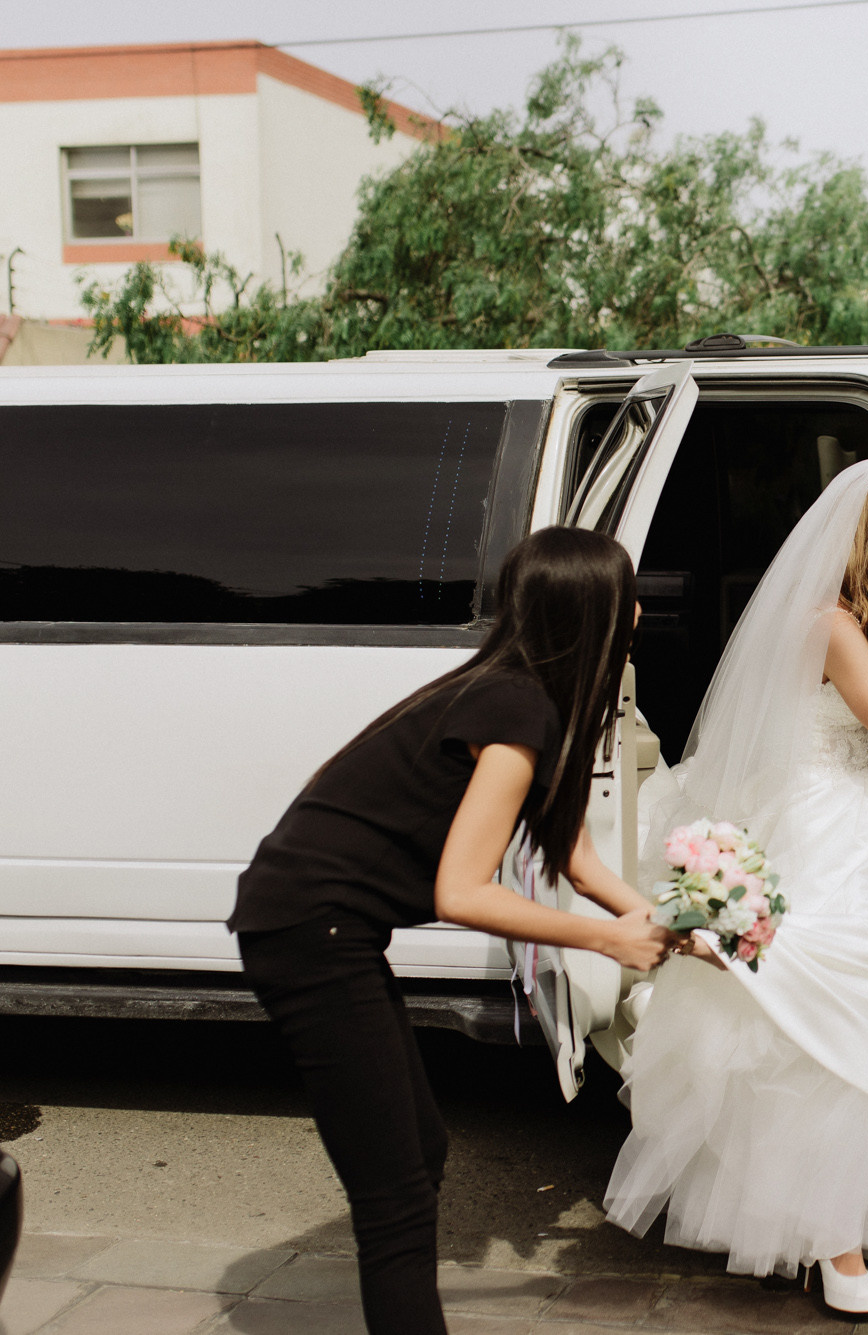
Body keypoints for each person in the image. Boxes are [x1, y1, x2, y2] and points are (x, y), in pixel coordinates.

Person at [228, 527, 683, 1335]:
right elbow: (463, 890)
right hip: (307, 925)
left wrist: (653, 917)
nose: (641, 607)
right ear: (596, 613)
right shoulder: (515, 710)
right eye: (628, 593)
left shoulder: (527, 697)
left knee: (422, 1150)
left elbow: (576, 856)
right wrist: (607, 941)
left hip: (329, 923)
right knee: (396, 1194)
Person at [604, 460, 868, 1317]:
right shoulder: (833, 625)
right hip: (826, 834)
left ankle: (839, 1216)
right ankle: (830, 1242)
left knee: (862, 1031)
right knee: (817, 1033)